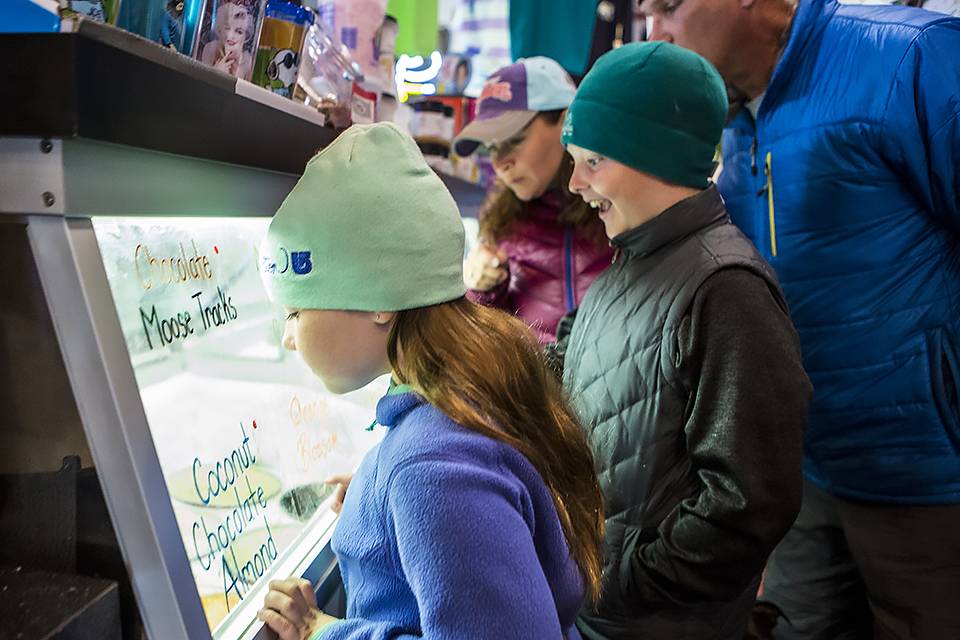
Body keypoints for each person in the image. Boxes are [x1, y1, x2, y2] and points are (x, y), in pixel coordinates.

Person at [639, 0, 960, 637]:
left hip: (930, 477)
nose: (656, 33)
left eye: (668, 6)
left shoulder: (909, 57)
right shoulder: (730, 120)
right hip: (803, 472)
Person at [255, 122, 606, 640]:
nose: (289, 337)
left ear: (377, 300)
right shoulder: (464, 402)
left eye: (295, 311)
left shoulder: (433, 467)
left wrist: (321, 632)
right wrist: (382, 505)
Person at [555, 41, 812, 639]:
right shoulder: (629, 264)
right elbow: (564, 368)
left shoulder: (727, 292)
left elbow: (748, 505)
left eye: (592, 159)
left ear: (656, 156)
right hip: (600, 613)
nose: (574, 183)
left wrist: (616, 583)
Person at [453, 57, 614, 344]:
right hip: (537, 389)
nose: (501, 162)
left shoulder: (620, 204)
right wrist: (482, 291)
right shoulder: (501, 223)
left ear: (566, 122)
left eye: (514, 139)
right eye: (492, 148)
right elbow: (487, 347)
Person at [201, 0, 256, 79]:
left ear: (245, 36)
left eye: (239, 32)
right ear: (219, 30)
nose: (231, 35)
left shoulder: (246, 60)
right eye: (227, 28)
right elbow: (201, 81)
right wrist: (216, 71)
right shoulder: (211, 50)